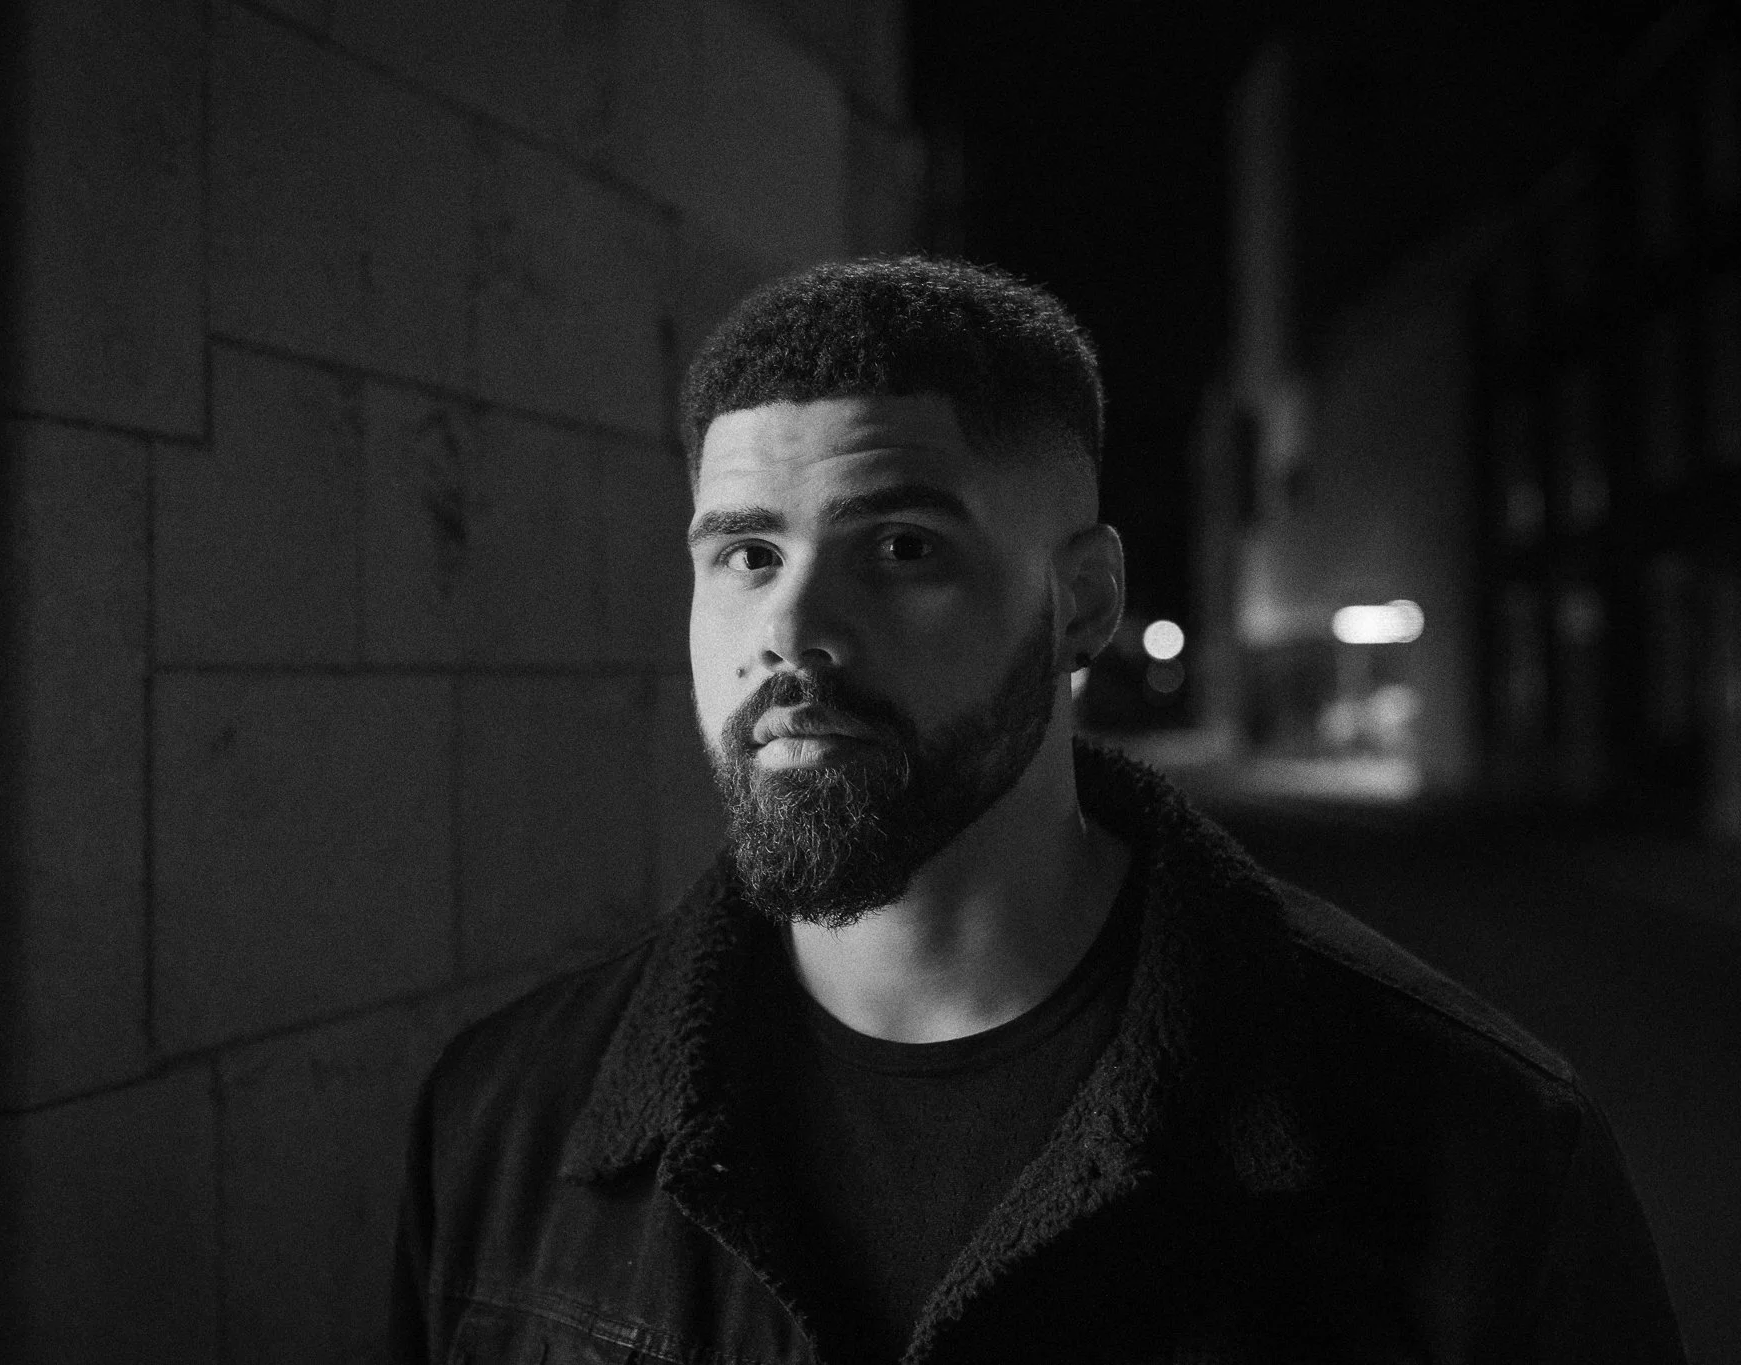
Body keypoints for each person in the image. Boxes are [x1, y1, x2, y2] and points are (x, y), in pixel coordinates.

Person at [389, 257, 1684, 1362]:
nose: (791, 629)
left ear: (1084, 604)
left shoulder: (1471, 1151)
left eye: (902, 547)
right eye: (746, 555)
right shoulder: (505, 1126)